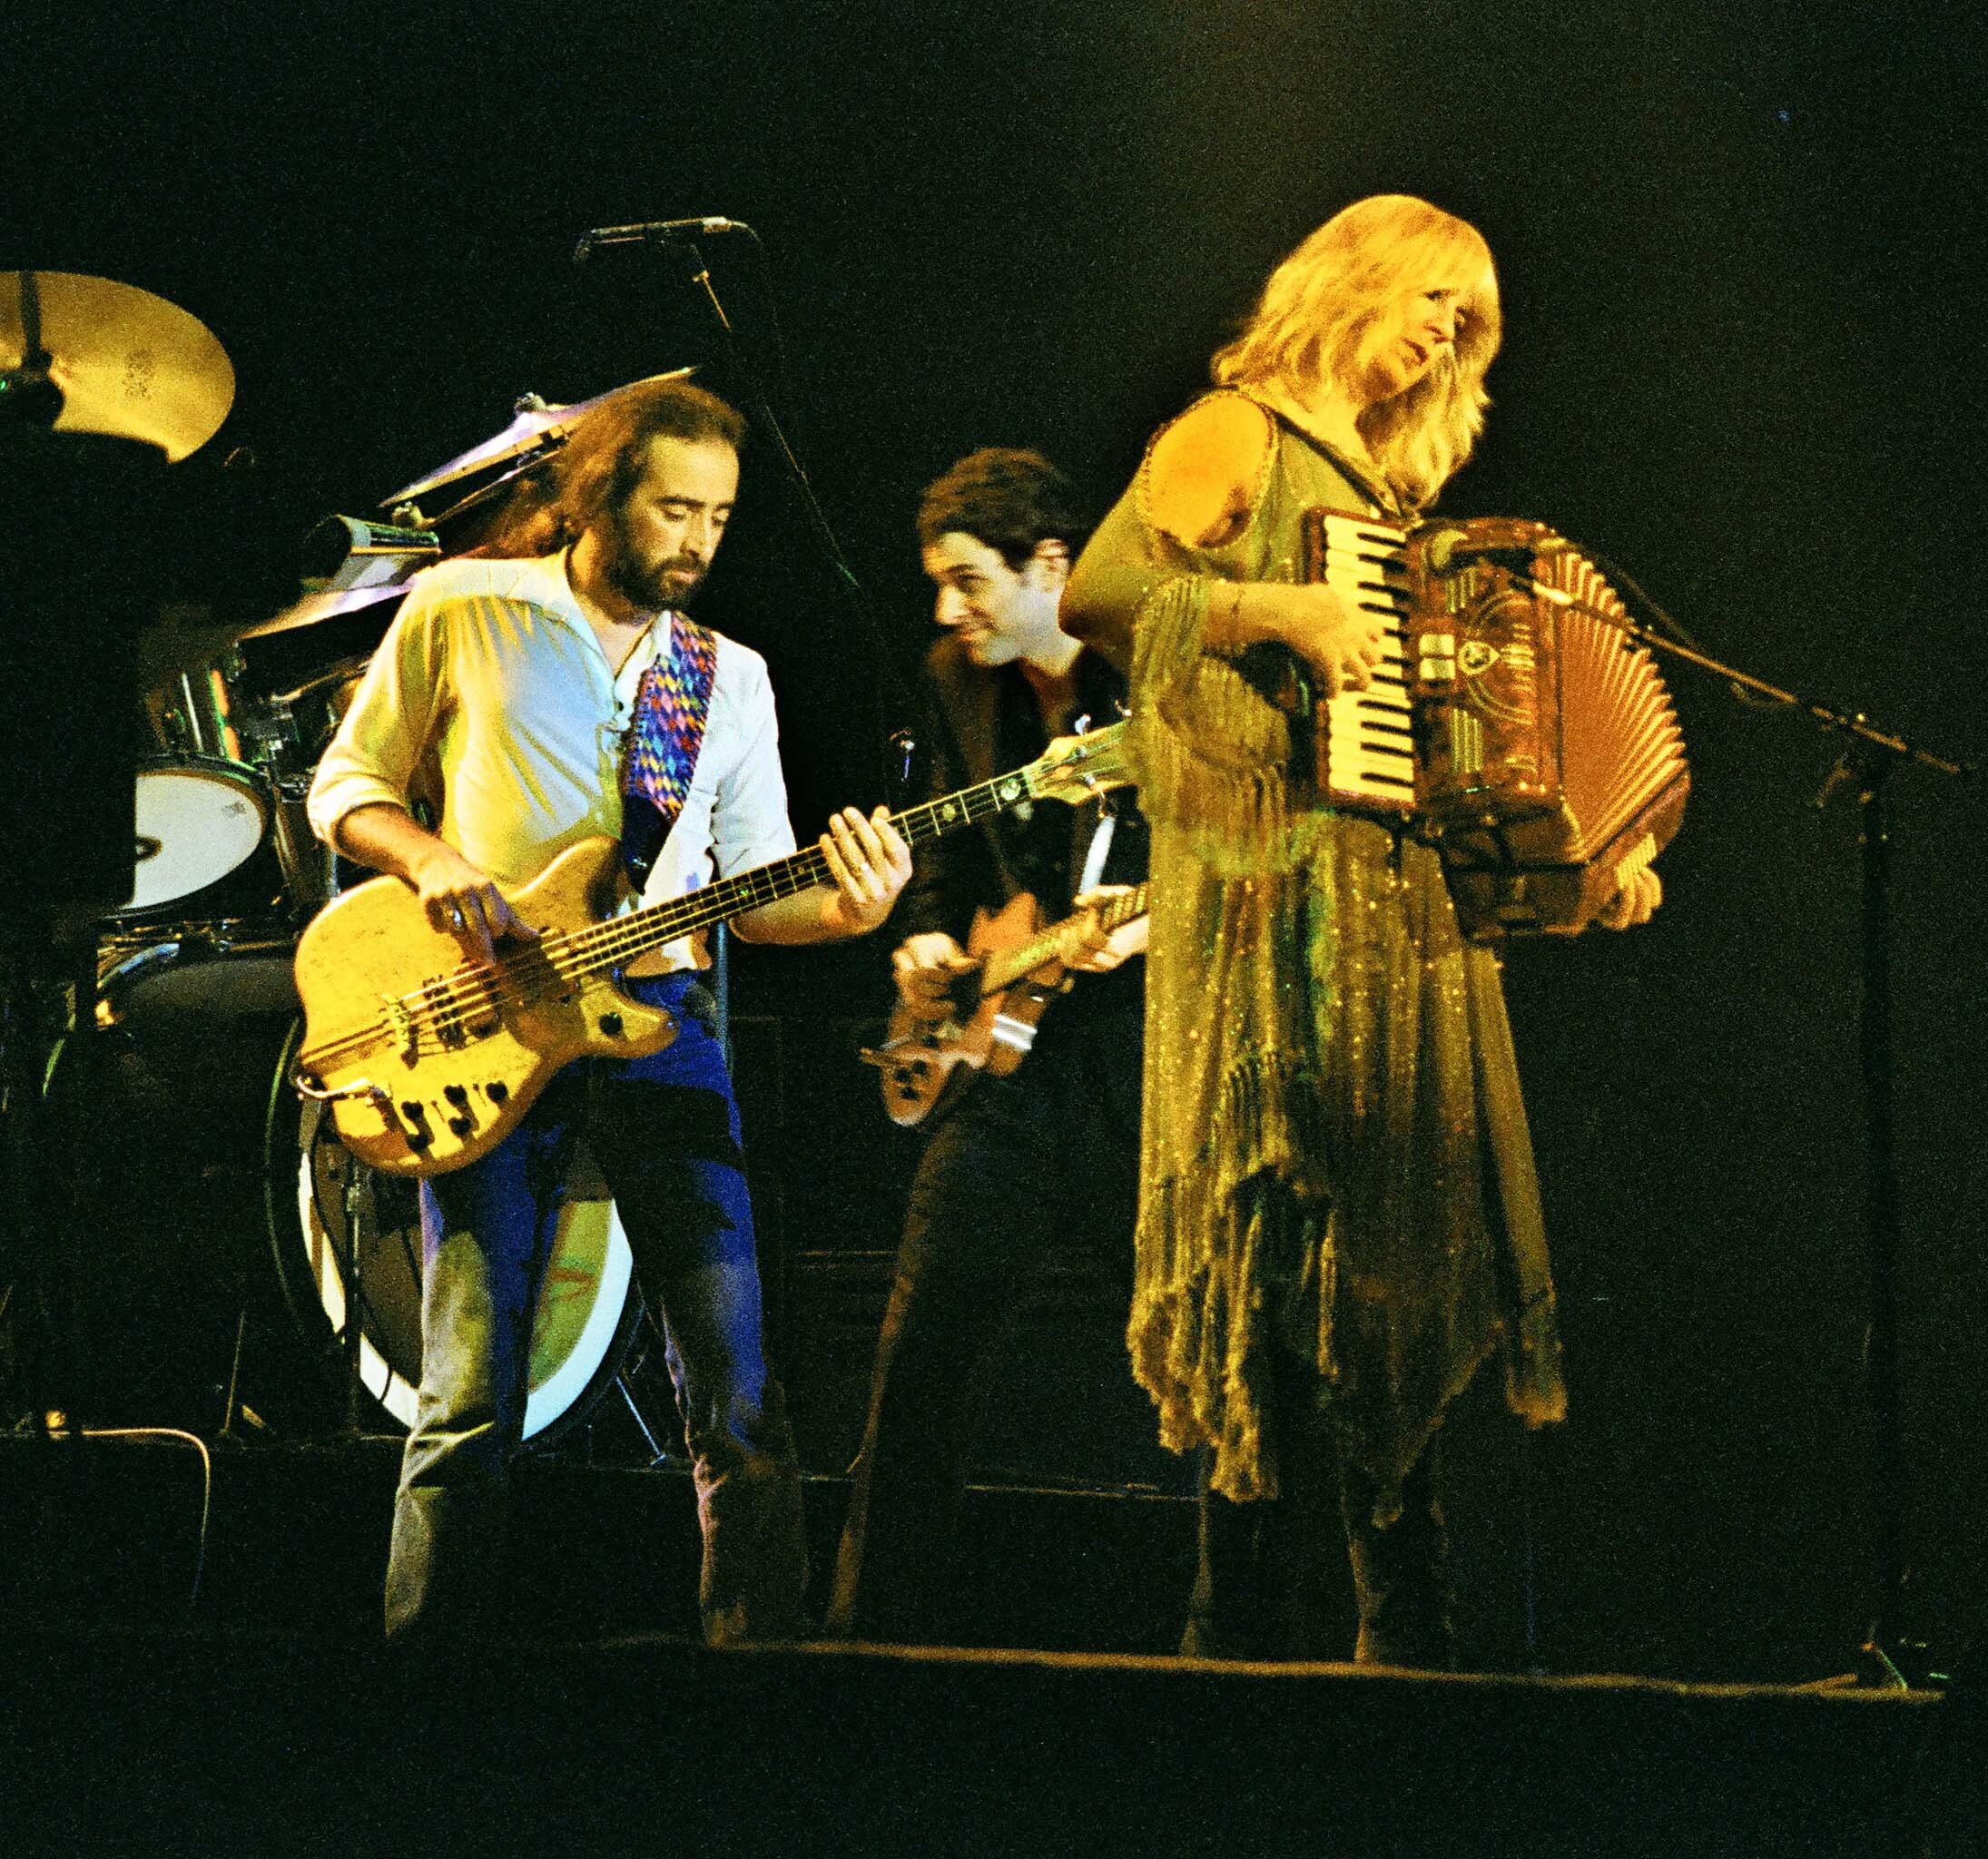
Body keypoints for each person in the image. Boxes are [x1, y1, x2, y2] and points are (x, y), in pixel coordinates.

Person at [1060, 194, 1662, 1667]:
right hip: (1271, 905)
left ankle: (1404, 1646)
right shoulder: (1238, 433)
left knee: (1393, 1272)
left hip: (1394, 917)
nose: (1452, 333)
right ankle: (1241, 1635)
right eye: (1436, 299)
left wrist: (1573, 856)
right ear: (1356, 280)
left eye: (1474, 322)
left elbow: (1450, 769)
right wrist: (1275, 611)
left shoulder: (1395, 513)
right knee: (1277, 1257)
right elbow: (1100, 588)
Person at [307, 378, 913, 1643]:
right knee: (467, 1388)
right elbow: (345, 787)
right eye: (673, 508)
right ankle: (420, 1679)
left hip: (662, 1022)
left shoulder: (727, 676)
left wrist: (851, 913)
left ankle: (759, 1670)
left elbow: (756, 892)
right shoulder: (467, 607)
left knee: (737, 1385)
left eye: (720, 518)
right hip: (486, 1017)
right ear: (599, 496)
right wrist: (433, 862)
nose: (697, 539)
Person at [826, 448, 1150, 1643]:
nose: (947, 611)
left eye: (969, 582)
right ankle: (869, 1648)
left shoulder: (1156, 674)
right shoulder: (955, 680)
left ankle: (1244, 1651)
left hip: (1140, 1061)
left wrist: (1149, 925)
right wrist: (919, 943)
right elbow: (947, 864)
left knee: (1204, 1363)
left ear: (1051, 567)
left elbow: (1244, 851)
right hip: (1003, 1063)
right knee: (916, 1377)